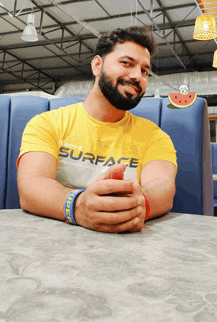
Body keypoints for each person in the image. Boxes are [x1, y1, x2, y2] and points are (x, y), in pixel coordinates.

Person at [17, 26, 177, 233]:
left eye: (145, 71)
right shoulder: (47, 123)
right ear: (97, 65)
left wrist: (139, 204)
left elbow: (163, 186)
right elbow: (31, 185)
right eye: (126, 63)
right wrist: (78, 206)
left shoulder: (155, 137)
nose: (138, 76)